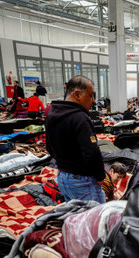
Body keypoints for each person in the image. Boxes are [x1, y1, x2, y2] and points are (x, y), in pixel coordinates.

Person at [46, 75, 106, 203]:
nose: (93, 101)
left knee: (76, 217)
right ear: (77, 95)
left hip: (62, 178)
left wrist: (65, 163)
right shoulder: (80, 117)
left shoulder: (51, 113)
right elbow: (92, 152)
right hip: (82, 181)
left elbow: (49, 147)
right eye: (90, 96)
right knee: (95, 219)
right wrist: (100, 176)